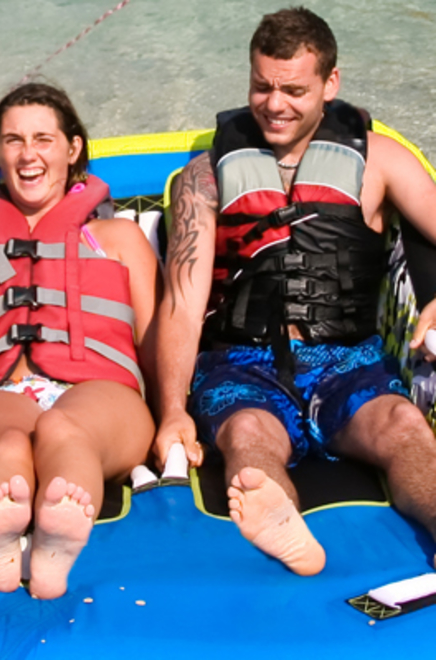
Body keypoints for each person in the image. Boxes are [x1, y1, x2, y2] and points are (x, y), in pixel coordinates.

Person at [154, 7, 436, 575]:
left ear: (331, 84)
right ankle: (279, 519)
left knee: (403, 427)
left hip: (349, 359)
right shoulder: (205, 179)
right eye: (262, 86)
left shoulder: (379, 161)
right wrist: (169, 412)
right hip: (240, 362)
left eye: (293, 89)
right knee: (249, 434)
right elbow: (182, 305)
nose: (274, 104)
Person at [0, 83, 159, 598]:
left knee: (66, 429)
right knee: (3, 445)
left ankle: (54, 543)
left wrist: (173, 415)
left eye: (43, 139)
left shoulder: (118, 240)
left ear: (72, 149)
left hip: (100, 393)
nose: (28, 154)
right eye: (13, 140)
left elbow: (154, 343)